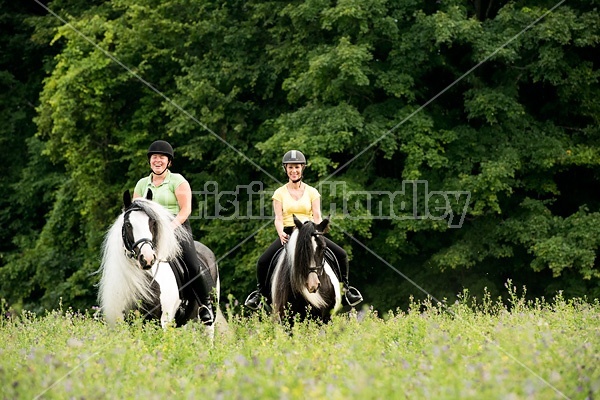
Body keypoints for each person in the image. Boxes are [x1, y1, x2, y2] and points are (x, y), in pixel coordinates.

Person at [244, 149, 363, 309]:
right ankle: (260, 294)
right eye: (290, 167)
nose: (294, 171)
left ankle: (347, 289)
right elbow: (278, 219)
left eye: (297, 167)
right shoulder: (279, 193)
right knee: (263, 261)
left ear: (302, 168)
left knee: (341, 255)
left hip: (310, 233)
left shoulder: (312, 192)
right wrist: (280, 232)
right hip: (289, 233)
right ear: (285, 169)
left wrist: (318, 232)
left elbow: (317, 216)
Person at [133, 140, 215, 325]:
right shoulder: (141, 184)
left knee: (193, 265)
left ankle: (205, 306)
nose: (158, 160)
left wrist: (169, 228)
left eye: (162, 157)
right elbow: (136, 211)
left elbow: (185, 210)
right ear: (149, 161)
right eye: (154, 157)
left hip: (176, 228)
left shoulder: (178, 181)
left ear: (169, 162)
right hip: (149, 231)